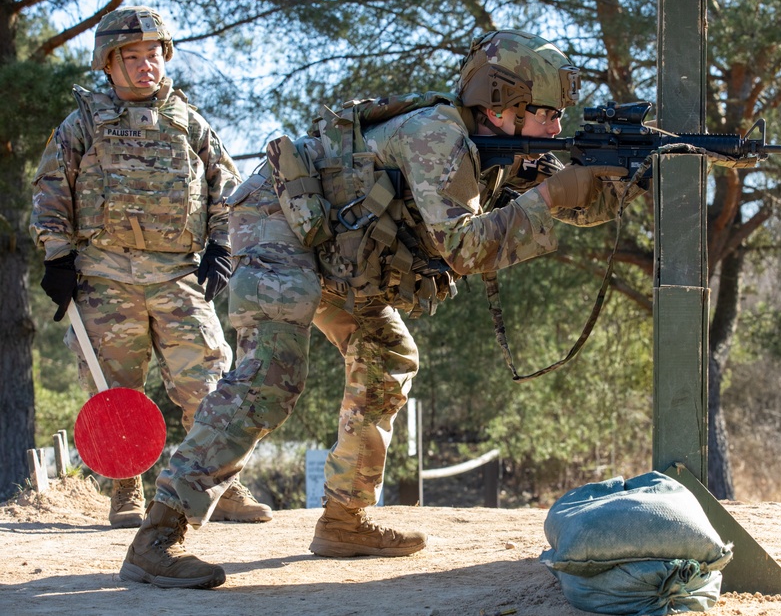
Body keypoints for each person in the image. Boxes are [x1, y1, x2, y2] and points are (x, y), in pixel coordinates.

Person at [119, 29, 643, 589]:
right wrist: (553, 194)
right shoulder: (437, 135)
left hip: (337, 248)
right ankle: (157, 537)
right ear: (503, 107)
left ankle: (344, 521)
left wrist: (632, 181)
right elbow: (466, 247)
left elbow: (572, 203)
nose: (558, 128)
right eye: (548, 114)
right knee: (269, 378)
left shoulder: (500, 147)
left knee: (387, 358)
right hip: (279, 226)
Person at [30, 6, 272, 528]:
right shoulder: (82, 125)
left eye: (155, 55)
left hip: (178, 276)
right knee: (115, 391)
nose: (147, 67)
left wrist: (222, 246)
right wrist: (57, 256)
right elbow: (51, 192)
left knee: (208, 384)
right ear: (108, 65)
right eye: (133, 57)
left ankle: (219, 487)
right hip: (105, 278)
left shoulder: (189, 123)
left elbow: (226, 190)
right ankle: (126, 492)